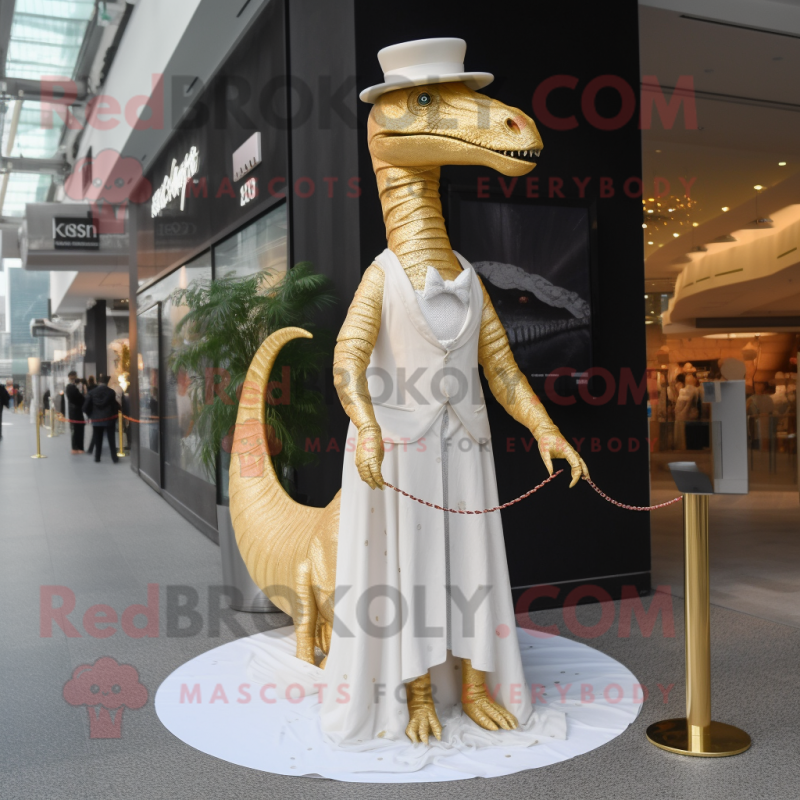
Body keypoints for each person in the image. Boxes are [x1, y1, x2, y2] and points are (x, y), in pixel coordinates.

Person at [82, 374, 120, 463]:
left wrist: (91, 415)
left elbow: (85, 407)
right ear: (107, 382)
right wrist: (116, 414)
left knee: (98, 438)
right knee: (111, 439)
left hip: (96, 419)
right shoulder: (111, 392)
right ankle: (114, 457)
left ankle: (97, 457)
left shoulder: (92, 392)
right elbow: (115, 405)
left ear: (98, 382)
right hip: (109, 418)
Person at [64, 371, 86, 454]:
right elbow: (80, 398)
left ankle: (75, 447)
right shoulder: (72, 387)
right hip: (77, 411)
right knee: (78, 430)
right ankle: (78, 447)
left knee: (75, 430)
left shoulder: (69, 387)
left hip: (73, 411)